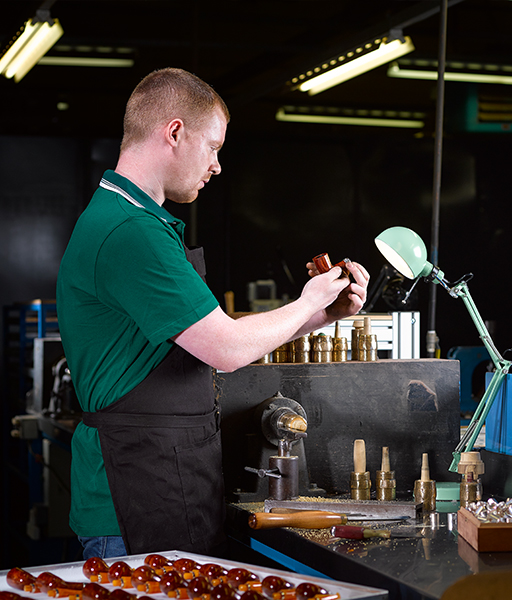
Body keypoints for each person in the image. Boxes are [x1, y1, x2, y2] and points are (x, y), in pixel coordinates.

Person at [56, 67, 369, 561]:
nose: (218, 166)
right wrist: (306, 301)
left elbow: (209, 335)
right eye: (214, 147)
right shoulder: (129, 230)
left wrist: (319, 316)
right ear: (175, 132)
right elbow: (225, 349)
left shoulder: (136, 221)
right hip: (135, 498)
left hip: (162, 484)